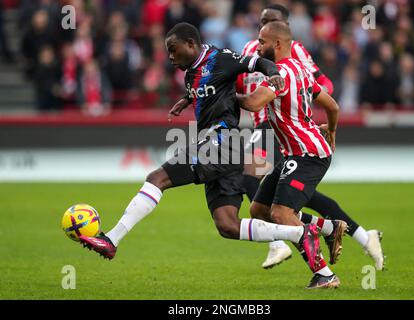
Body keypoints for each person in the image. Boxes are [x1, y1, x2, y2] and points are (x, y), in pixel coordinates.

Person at [78, 22, 330, 287]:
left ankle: (112, 240)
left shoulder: (221, 58)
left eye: (174, 51)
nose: (171, 58)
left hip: (222, 143)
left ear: (190, 44)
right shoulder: (190, 73)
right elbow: (207, 90)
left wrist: (275, 74)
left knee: (158, 178)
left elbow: (259, 63)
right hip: (224, 149)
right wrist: (187, 99)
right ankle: (300, 235)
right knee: (228, 226)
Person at [236, 4, 384, 271]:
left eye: (269, 23)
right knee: (279, 202)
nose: (261, 30)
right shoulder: (251, 51)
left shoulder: (293, 58)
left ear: (282, 32)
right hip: (281, 134)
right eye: (261, 22)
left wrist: (298, 109)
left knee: (261, 187)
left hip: (280, 133)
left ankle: (299, 255)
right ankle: (348, 232)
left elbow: (255, 101)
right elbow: (331, 104)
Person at [236, 21, 343, 289]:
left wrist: (223, 92)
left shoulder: (280, 74)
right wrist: (331, 130)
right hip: (296, 152)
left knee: (283, 214)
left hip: (307, 153)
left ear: (278, 44)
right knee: (259, 209)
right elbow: (333, 106)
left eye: (262, 42)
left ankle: (325, 275)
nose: (258, 46)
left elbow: (252, 103)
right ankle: (329, 228)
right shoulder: (302, 70)